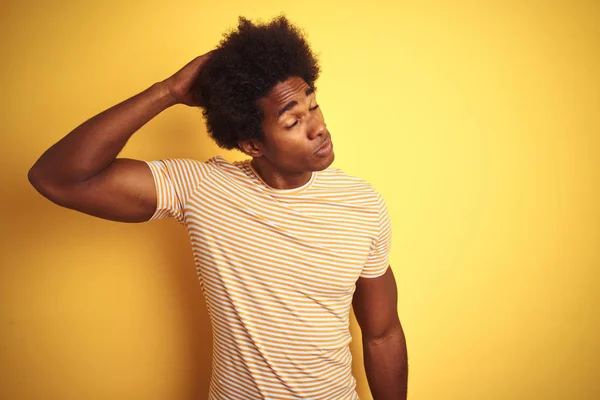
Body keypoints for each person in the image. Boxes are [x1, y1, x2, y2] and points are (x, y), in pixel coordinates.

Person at [28, 15, 408, 400]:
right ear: (252, 145)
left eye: (314, 106)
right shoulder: (202, 188)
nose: (318, 127)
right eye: (293, 121)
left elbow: (383, 333)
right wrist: (169, 91)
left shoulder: (362, 204)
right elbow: (58, 177)